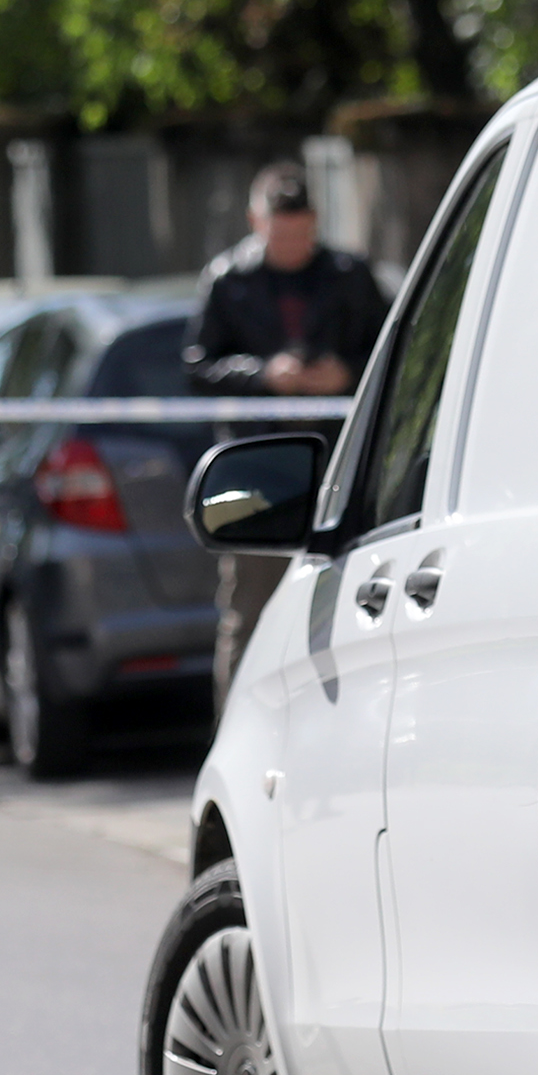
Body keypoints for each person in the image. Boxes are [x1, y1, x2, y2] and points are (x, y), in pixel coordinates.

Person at [182, 164, 388, 711]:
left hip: (341, 465)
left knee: (348, 606)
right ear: (256, 222)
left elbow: (394, 349)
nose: (292, 244)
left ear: (316, 223)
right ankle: (235, 732)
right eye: (280, 232)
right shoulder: (229, 279)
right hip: (261, 468)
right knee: (251, 610)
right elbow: (197, 368)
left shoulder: (349, 275)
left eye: (301, 232)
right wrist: (264, 374)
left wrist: (346, 373)